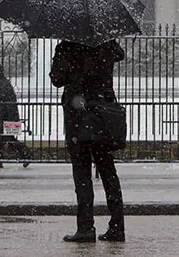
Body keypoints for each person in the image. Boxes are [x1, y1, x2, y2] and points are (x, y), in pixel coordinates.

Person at [50, 39, 126, 243]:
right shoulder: (107, 43)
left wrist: (60, 60)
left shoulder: (66, 46)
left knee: (82, 174)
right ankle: (117, 226)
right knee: (108, 172)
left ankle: (85, 227)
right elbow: (120, 54)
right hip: (103, 114)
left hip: (79, 116)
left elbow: (57, 79)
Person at [0, 62, 31, 169]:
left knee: (5, 139)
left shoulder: (1, 85)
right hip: (3, 117)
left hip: (3, 118)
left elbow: (3, 104)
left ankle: (25, 154)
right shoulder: (1, 83)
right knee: (1, 139)